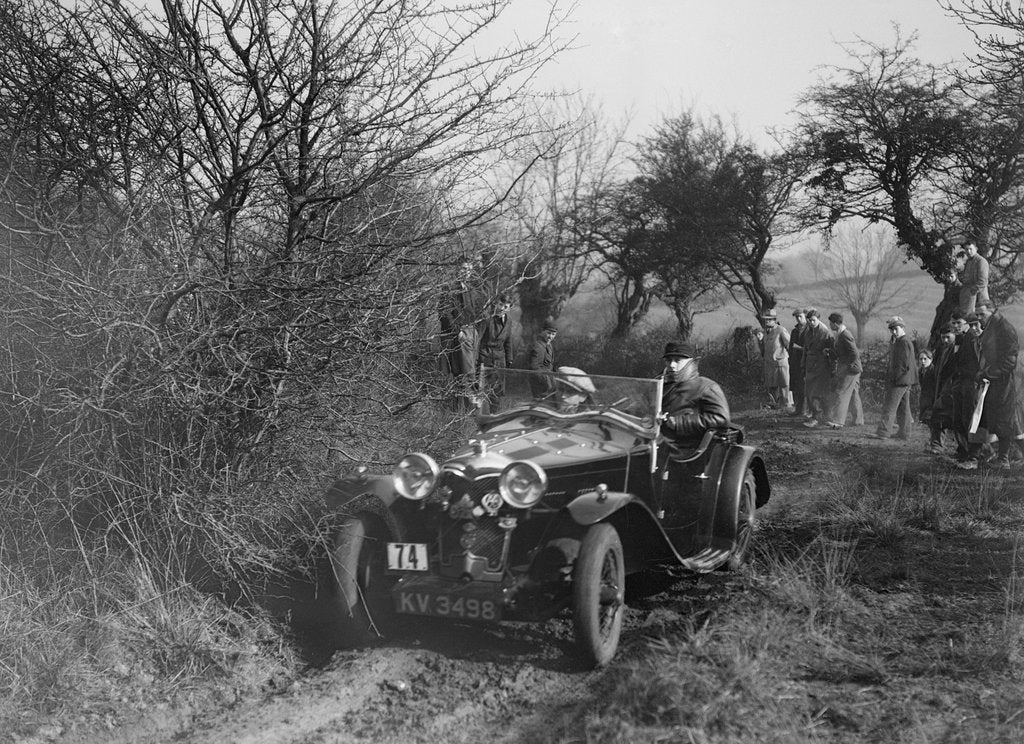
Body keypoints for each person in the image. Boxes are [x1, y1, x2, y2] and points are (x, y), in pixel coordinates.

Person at [975, 299, 1024, 469]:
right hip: (994, 380)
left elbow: (1010, 361)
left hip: (1005, 380)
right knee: (993, 418)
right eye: (977, 314)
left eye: (982, 314)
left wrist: (988, 373)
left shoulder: (1004, 328)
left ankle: (1003, 459)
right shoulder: (991, 326)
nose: (979, 317)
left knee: (1005, 418)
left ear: (992, 310)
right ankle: (990, 454)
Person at [659, 341, 731, 449]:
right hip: (655, 441)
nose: (672, 365)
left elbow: (721, 418)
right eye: (669, 360)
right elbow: (640, 407)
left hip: (688, 447)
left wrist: (679, 423)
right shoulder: (659, 384)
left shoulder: (707, 386)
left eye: (678, 360)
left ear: (691, 362)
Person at [438, 259, 482, 410]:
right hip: (454, 336)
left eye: (469, 269)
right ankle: (456, 413)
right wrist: (458, 332)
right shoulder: (448, 288)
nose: (466, 272)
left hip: (470, 334)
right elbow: (444, 314)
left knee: (469, 373)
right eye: (463, 268)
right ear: (457, 269)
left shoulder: (471, 290)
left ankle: (468, 413)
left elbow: (474, 314)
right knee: (459, 374)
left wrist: (474, 332)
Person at [872, 316, 918, 440]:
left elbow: (903, 365)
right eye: (891, 329)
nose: (893, 332)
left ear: (902, 327)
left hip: (900, 380)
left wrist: (894, 379)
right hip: (905, 380)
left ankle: (883, 432)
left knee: (889, 406)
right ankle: (905, 433)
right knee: (903, 408)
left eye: (896, 329)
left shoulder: (903, 342)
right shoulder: (900, 341)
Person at [952, 314, 986, 468]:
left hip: (974, 383)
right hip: (963, 381)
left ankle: (976, 455)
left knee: (971, 418)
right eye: (954, 323)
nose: (956, 326)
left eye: (959, 323)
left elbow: (980, 364)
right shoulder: (962, 338)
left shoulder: (976, 339)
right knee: (960, 417)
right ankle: (966, 451)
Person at [824, 312, 864, 428]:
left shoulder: (845, 335)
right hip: (853, 368)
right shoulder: (840, 334)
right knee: (853, 393)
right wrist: (830, 352)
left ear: (835, 323)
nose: (830, 325)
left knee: (841, 392)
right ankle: (858, 420)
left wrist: (848, 366)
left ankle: (838, 421)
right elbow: (841, 353)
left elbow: (854, 354)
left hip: (851, 369)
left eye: (831, 323)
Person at [477, 295, 515, 412]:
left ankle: (494, 415)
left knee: (497, 390)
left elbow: (508, 341)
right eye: (500, 305)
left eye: (505, 306)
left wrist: (509, 359)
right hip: (485, 357)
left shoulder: (509, 321)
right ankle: (478, 417)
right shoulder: (487, 319)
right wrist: (477, 359)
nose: (502, 308)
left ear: (509, 309)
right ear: (496, 304)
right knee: (481, 388)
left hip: (500, 360)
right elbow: (478, 339)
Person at [926, 323, 959, 454]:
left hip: (952, 389)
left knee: (959, 422)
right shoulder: (941, 349)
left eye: (948, 337)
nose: (945, 340)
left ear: (954, 335)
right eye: (943, 337)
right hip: (940, 387)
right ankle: (936, 446)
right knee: (938, 416)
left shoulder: (958, 350)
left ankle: (983, 451)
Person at [801, 308, 834, 428]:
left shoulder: (825, 332)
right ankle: (815, 415)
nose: (811, 322)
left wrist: (831, 367)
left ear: (818, 319)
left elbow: (832, 350)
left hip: (822, 366)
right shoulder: (808, 332)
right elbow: (805, 349)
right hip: (810, 366)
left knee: (818, 392)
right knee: (810, 391)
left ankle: (818, 418)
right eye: (809, 320)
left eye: (813, 320)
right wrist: (802, 363)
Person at [756, 308, 791, 410]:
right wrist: (760, 341)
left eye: (769, 319)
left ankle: (785, 405)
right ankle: (774, 404)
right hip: (769, 363)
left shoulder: (781, 330)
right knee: (771, 385)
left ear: (774, 320)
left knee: (784, 384)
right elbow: (764, 350)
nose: (767, 321)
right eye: (766, 319)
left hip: (780, 363)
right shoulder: (765, 332)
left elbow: (789, 345)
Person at [958, 240, 990, 315]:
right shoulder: (968, 262)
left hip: (979, 299)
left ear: (976, 249)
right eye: (966, 249)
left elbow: (982, 282)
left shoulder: (981, 261)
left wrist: (970, 292)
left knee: (977, 322)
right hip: (968, 298)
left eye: (970, 249)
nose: (968, 251)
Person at [528, 321, 558, 399]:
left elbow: (551, 364)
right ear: (542, 331)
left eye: (553, 334)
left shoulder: (549, 345)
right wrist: (547, 382)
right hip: (540, 383)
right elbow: (534, 368)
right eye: (548, 333)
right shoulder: (538, 346)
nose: (550, 337)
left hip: (549, 381)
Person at [789, 308, 808, 417]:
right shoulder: (794, 331)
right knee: (796, 386)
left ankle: (804, 410)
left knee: (804, 387)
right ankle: (798, 409)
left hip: (805, 361)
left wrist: (800, 348)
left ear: (805, 316)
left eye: (800, 316)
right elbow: (791, 347)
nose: (798, 319)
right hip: (795, 362)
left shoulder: (809, 329)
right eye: (797, 317)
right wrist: (791, 360)